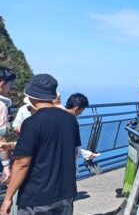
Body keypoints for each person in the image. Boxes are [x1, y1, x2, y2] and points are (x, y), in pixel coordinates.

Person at [1, 74, 80, 215]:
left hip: (37, 196)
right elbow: (73, 153)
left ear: (31, 96)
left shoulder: (32, 123)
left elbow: (22, 163)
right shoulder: (70, 119)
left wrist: (8, 198)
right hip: (66, 191)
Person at [0, 68, 15, 184]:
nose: (11, 88)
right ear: (2, 83)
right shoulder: (2, 106)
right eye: (10, 84)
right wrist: (6, 166)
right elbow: (1, 140)